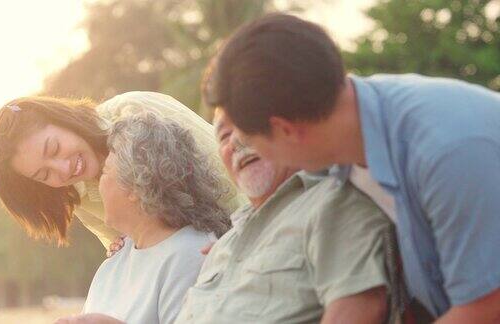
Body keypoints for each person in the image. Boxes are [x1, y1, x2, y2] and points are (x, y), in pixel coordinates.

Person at [203, 13, 500, 322]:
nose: (239, 147)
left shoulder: (445, 151)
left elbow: (487, 307)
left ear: (285, 130)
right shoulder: (341, 139)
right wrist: (238, 251)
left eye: (246, 137)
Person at [173, 109, 396, 323]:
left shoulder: (332, 203)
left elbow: (362, 309)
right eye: (224, 136)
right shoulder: (223, 246)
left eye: (246, 124)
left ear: (285, 129)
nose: (235, 142)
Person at [0, 92, 245, 250]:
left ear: (63, 120)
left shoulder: (138, 113)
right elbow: (137, 255)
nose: (63, 170)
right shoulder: (79, 195)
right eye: (44, 175)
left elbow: (236, 181)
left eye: (54, 148)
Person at [56, 113, 229, 324]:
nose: (98, 185)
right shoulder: (113, 264)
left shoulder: (192, 254)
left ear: (135, 186)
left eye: (105, 173)